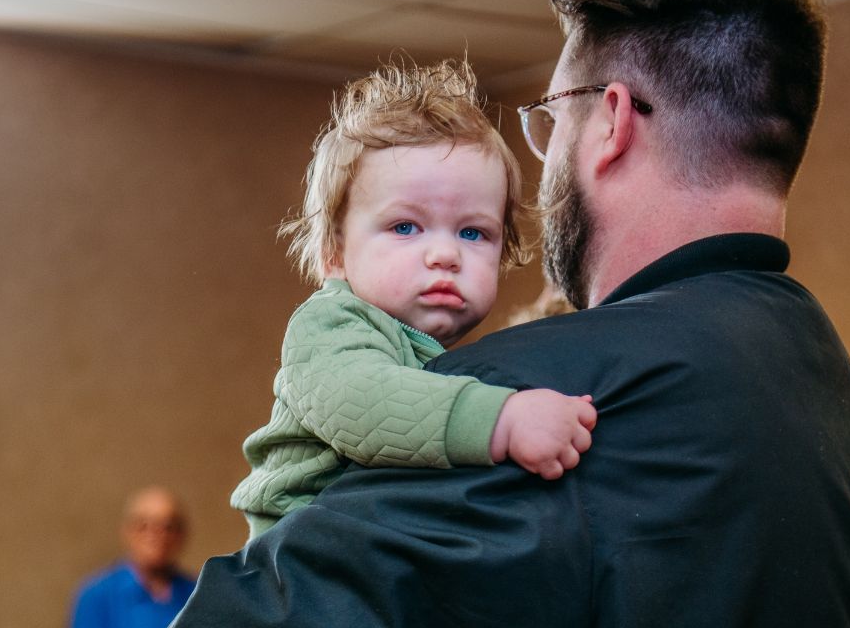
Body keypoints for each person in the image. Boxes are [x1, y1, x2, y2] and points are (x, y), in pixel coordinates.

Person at [146, 0, 850, 628]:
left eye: (550, 119)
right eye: (406, 225)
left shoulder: (542, 396)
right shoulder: (825, 381)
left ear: (611, 122)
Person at [229, 58, 596, 538]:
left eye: (473, 232)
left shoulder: (432, 350)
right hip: (298, 556)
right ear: (334, 252)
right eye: (405, 227)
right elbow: (364, 406)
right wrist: (502, 420)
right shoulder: (330, 324)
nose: (445, 254)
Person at [71, 486, 196, 628]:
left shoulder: (197, 594)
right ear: (127, 531)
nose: (157, 534)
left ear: (181, 535)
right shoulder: (95, 598)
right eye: (144, 525)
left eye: (168, 526)